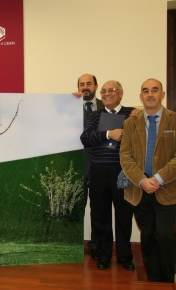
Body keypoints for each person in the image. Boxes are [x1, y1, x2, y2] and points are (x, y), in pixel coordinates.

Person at [120, 79, 176, 282]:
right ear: (141, 96)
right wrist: (142, 181)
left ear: (162, 94)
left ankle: (167, 281)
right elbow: (125, 158)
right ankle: (153, 280)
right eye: (145, 91)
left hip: (167, 189)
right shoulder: (130, 123)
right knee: (148, 235)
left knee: (164, 235)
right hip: (139, 190)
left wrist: (158, 178)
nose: (150, 94)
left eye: (154, 90)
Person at [80, 80, 135, 271]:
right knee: (100, 215)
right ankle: (103, 255)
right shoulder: (95, 115)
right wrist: (109, 134)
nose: (106, 93)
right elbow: (86, 138)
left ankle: (125, 256)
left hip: (123, 173)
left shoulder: (132, 113)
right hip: (98, 171)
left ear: (121, 93)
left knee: (124, 216)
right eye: (103, 91)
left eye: (111, 90)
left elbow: (140, 139)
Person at [75, 73, 105, 260]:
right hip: (77, 164)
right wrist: (67, 100)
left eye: (89, 84)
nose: (85, 87)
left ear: (95, 86)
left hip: (100, 164)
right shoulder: (69, 105)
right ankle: (74, 246)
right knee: (77, 207)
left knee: (99, 209)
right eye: (81, 84)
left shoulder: (106, 107)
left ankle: (97, 246)